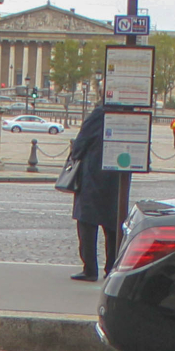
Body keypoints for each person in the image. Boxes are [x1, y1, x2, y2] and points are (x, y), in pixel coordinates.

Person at [68, 102, 121, 281]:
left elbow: (81, 143)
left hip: (93, 175)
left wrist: (75, 154)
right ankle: (112, 267)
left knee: (86, 222)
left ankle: (90, 269)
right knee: (113, 224)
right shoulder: (127, 114)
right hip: (117, 177)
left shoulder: (99, 113)